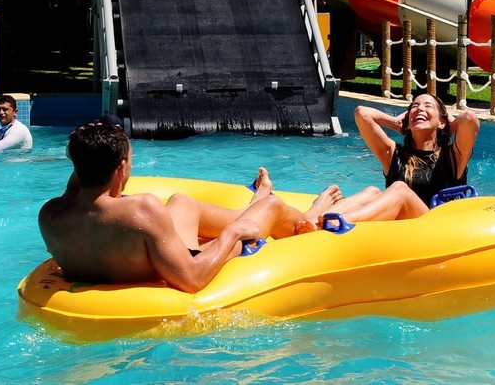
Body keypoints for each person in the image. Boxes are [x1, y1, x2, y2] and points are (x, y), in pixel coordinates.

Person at [38, 121, 342, 293]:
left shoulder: (51, 214)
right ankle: (311, 213)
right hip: (186, 266)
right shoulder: (140, 211)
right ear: (120, 167)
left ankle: (255, 202)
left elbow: (80, 178)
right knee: (274, 207)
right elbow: (191, 280)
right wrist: (231, 235)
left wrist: (87, 147)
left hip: (144, 258)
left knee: (182, 202)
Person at [295, 93, 480, 232]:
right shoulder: (394, 154)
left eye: (427, 106)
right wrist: (396, 123)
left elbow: (470, 119)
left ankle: (336, 222)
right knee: (372, 192)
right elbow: (362, 113)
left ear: (442, 120)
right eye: (414, 106)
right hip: (395, 234)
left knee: (400, 190)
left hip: (435, 230)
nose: (419, 109)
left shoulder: (453, 157)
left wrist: (445, 127)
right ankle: (312, 220)